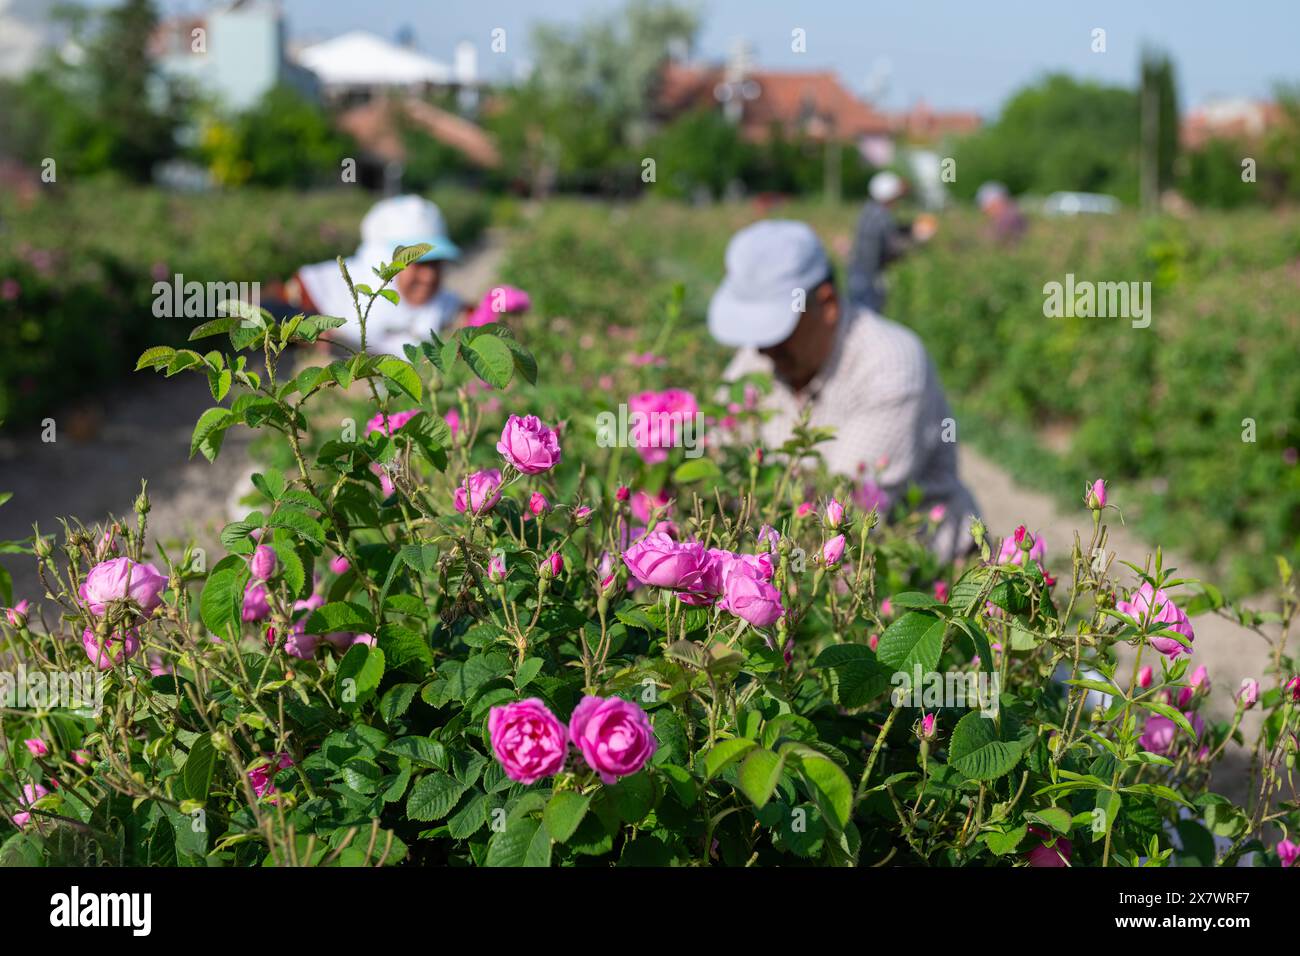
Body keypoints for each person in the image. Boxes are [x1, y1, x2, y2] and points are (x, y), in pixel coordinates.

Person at [709, 220, 978, 562]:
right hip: (804, 563)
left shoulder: (889, 361)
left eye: (776, 331)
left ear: (827, 304)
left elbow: (839, 515)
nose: (763, 350)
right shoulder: (759, 358)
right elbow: (716, 449)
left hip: (921, 573)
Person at [280, 195, 465, 353]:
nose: (429, 277)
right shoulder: (329, 287)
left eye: (436, 264)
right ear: (382, 259)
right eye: (418, 264)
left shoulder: (443, 305)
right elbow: (275, 309)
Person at [845, 171, 935, 313]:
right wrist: (918, 240)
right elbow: (893, 248)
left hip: (857, 273)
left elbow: (891, 230)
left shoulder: (869, 210)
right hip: (870, 278)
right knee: (870, 318)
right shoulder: (882, 217)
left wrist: (910, 227)